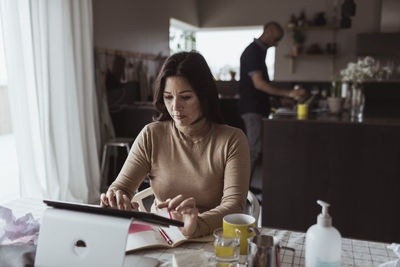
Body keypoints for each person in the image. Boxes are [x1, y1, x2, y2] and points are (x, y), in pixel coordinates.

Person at [100, 51, 250, 238]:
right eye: (168, 97)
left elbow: (234, 207)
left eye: (186, 97)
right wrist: (116, 197)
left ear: (205, 96)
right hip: (161, 236)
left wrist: (195, 225)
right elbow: (120, 187)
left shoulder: (232, 140)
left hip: (212, 238)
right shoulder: (151, 134)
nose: (175, 107)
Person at [239, 21, 306, 185]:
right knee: (253, 149)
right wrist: (289, 92)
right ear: (267, 31)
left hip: (257, 107)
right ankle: (240, 192)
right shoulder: (253, 52)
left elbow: (262, 85)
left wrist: (280, 98)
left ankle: (244, 190)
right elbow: (259, 84)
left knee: (255, 148)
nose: (276, 44)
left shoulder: (260, 52)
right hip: (251, 108)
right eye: (276, 39)